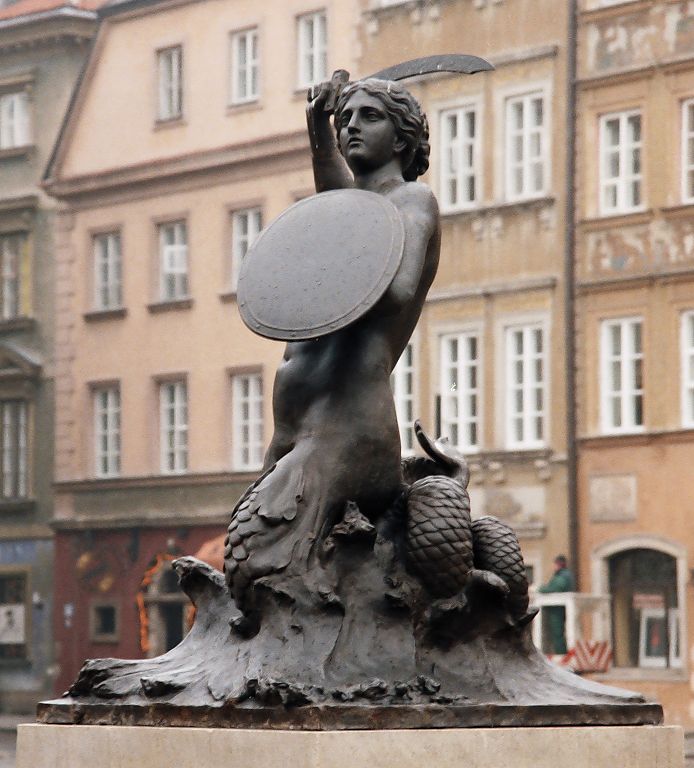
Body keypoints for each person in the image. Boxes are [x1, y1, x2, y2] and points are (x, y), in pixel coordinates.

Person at [224, 77, 441, 621]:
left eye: (369, 117)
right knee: (255, 572)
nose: (352, 127)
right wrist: (318, 127)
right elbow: (340, 203)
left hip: (348, 424)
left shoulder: (413, 202)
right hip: (295, 421)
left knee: (262, 562)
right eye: (347, 119)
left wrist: (331, 258)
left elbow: (394, 292)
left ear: (402, 138)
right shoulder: (350, 209)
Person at [537, 555, 575, 654]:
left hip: (557, 609)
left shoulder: (562, 575)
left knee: (557, 632)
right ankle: (560, 652)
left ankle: (561, 654)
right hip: (559, 608)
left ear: (558, 564)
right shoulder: (565, 575)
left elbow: (555, 588)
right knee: (559, 632)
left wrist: (540, 589)